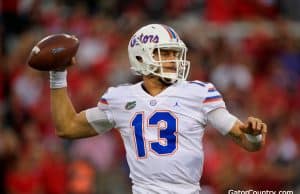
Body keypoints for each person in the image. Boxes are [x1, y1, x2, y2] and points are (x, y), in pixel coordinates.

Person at [49, 24, 267, 194]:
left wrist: (254, 137)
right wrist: (58, 74)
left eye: (175, 53)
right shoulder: (119, 97)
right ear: (142, 56)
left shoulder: (199, 92)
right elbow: (67, 128)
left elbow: (245, 140)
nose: (174, 60)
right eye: (165, 53)